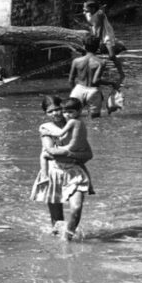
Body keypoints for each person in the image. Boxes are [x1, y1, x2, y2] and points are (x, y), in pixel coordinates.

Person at [30, 96, 94, 241]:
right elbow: (50, 151)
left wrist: (69, 155)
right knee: (56, 219)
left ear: (64, 108)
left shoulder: (76, 125)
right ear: (46, 114)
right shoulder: (46, 128)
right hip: (53, 173)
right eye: (50, 111)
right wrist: (72, 155)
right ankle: (61, 248)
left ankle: (67, 239)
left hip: (74, 172)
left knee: (76, 208)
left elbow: (88, 154)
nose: (55, 113)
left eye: (58, 109)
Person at [82, 0, 125, 85]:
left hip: (106, 34)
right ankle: (92, 73)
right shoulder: (87, 14)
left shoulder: (100, 13)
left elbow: (100, 27)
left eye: (87, 7)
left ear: (93, 8)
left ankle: (121, 74)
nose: (84, 9)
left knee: (112, 56)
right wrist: (93, 34)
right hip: (95, 33)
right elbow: (92, 25)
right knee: (89, 53)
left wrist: (98, 39)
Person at [68, 36, 108, 118]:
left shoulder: (76, 61)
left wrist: (74, 91)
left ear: (84, 46)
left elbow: (71, 80)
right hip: (93, 91)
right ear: (98, 47)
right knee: (95, 119)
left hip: (78, 89)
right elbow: (96, 81)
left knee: (72, 117)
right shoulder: (101, 62)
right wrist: (111, 83)